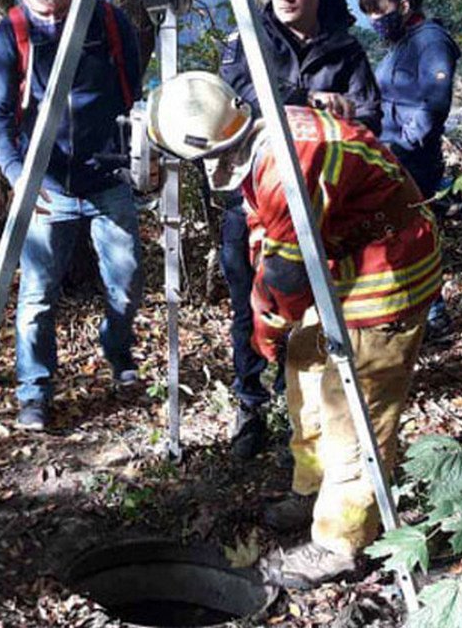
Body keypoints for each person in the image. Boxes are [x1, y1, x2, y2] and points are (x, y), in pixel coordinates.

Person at [147, 73, 441, 590]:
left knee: (354, 414)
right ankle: (310, 489)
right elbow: (272, 243)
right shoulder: (256, 145)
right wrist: (274, 321)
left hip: (385, 275)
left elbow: (284, 274)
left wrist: (267, 325)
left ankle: (340, 543)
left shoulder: (287, 161)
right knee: (304, 375)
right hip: (336, 266)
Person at [217, 0, 383, 459]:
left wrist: (346, 106)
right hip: (255, 199)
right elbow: (238, 100)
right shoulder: (248, 38)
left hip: (323, 206)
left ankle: (307, 422)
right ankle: (250, 406)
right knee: (253, 303)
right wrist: (310, 100)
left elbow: (372, 117)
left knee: (317, 309)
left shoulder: (346, 48)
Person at [0, 0, 144, 431]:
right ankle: (35, 390)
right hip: (46, 183)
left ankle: (117, 346)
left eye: (61, 10)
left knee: (129, 281)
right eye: (43, 13)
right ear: (25, 0)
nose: (52, 21)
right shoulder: (10, 35)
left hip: (106, 178)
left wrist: (136, 157)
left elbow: (132, 91)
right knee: (37, 294)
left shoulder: (110, 23)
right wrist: (17, 173)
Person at [359, 0, 459, 339]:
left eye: (378, 10)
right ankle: (417, 316)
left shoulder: (430, 40)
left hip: (413, 160)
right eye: (367, 13)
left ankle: (434, 319)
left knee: (412, 238)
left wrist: (403, 145)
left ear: (403, 6)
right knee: (395, 238)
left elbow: (434, 103)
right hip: (390, 156)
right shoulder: (402, 43)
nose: (373, 19)